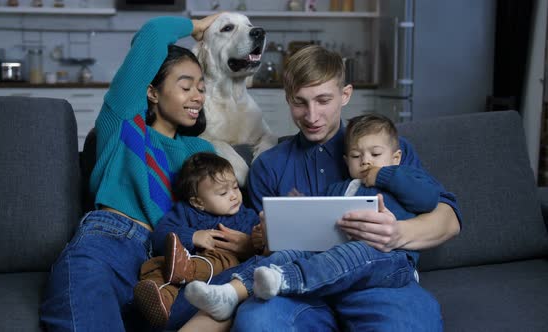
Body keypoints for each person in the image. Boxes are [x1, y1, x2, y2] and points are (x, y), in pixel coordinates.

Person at [226, 45, 462, 331]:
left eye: (323, 100)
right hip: (300, 288)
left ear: (345, 95)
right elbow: (261, 248)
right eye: (300, 102)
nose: (312, 116)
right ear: (287, 100)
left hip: (379, 282)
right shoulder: (268, 166)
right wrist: (262, 237)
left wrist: (398, 233)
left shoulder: (385, 150)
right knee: (256, 322)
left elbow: (449, 220)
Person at [38, 13, 241, 331]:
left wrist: (241, 241)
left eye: (201, 88)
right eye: (186, 86)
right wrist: (200, 26)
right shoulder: (124, 124)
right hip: (110, 242)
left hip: (169, 265)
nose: (198, 96)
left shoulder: (201, 154)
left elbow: (221, 213)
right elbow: (152, 33)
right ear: (152, 92)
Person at [183, 113, 447, 320]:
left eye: (376, 155)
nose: (366, 161)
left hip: (390, 259)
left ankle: (286, 280)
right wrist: (300, 209)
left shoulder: (406, 176)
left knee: (355, 252)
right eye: (357, 156)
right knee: (287, 255)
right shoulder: (342, 188)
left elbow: (427, 199)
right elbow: (324, 219)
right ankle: (230, 293)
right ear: (346, 160)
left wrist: (384, 174)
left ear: (397, 156)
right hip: (337, 253)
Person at [132, 152, 259, 328]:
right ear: (198, 202)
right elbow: (159, 236)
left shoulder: (247, 216)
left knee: (226, 258)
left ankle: (189, 269)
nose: (233, 196)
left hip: (218, 273)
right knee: (154, 266)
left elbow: (261, 247)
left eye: (236, 187)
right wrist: (192, 236)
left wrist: (252, 242)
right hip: (179, 270)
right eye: (223, 193)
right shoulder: (185, 212)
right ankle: (161, 299)